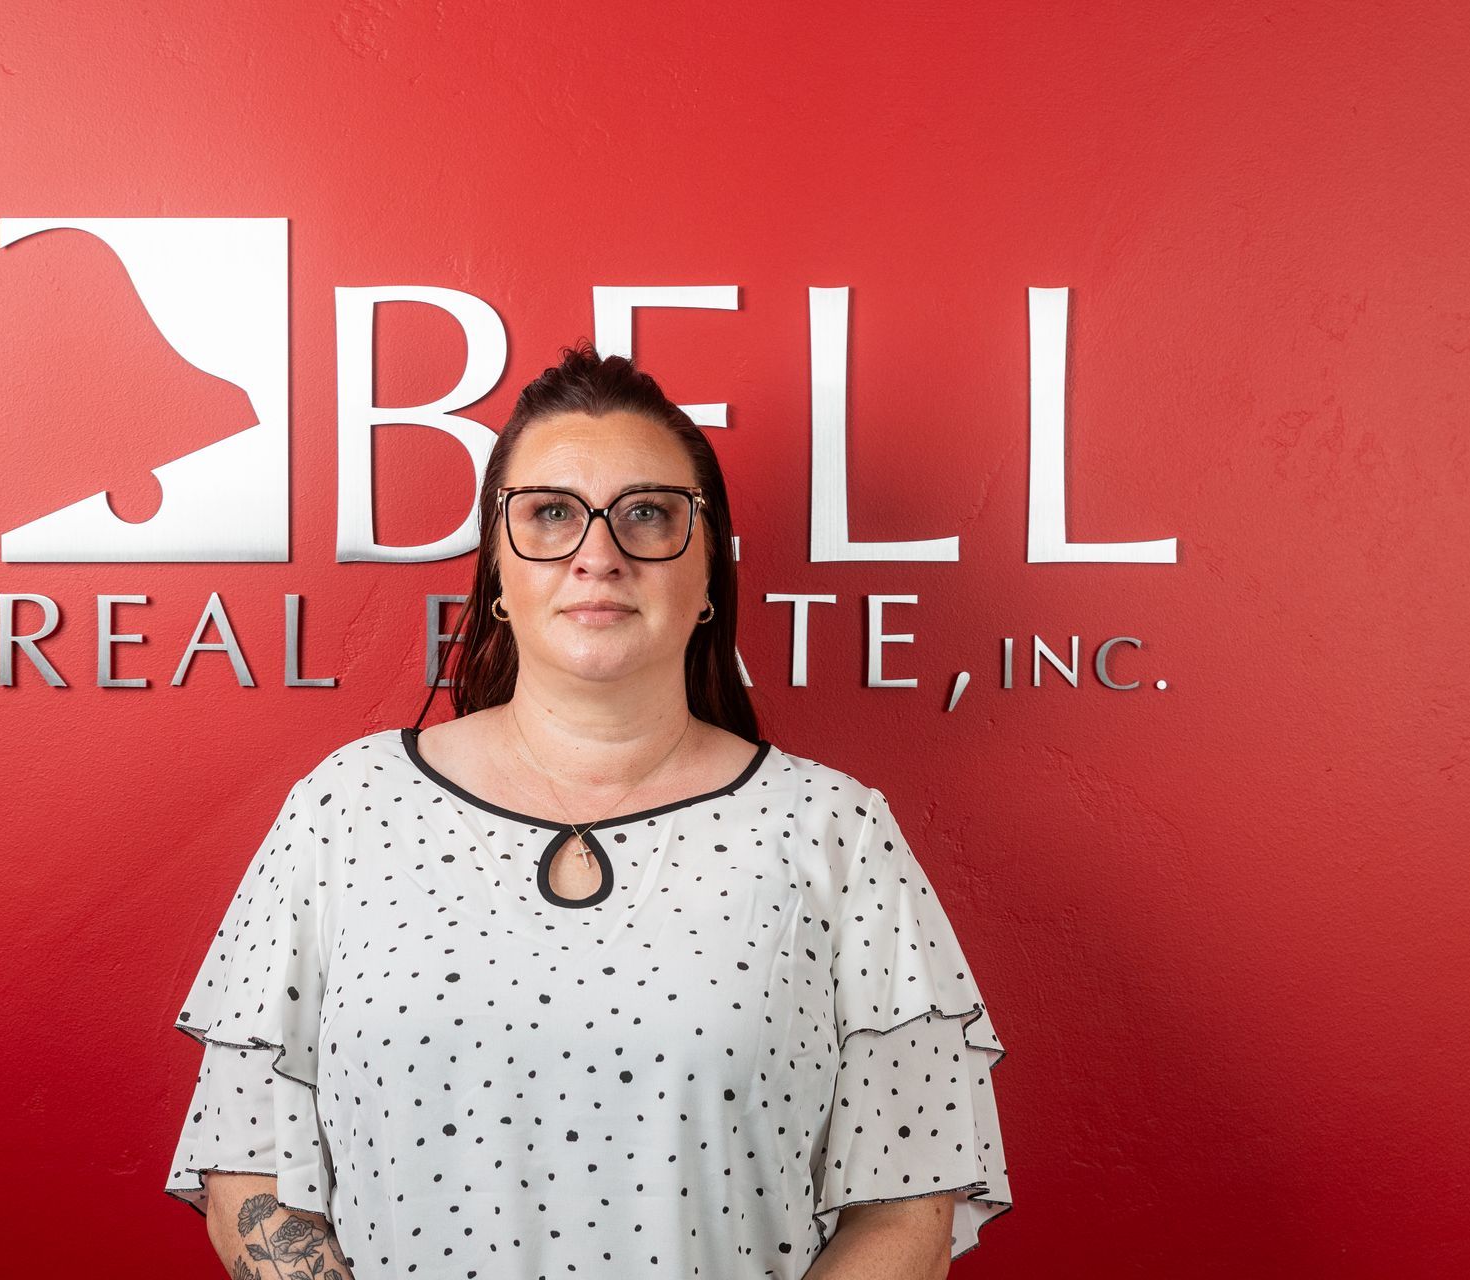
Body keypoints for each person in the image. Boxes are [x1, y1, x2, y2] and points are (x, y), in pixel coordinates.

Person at [163, 341, 1014, 1278]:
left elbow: (904, 1215)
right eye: (552, 515)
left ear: (706, 576)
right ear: (496, 567)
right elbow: (248, 1166)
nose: (597, 555)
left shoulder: (835, 834)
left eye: (648, 514)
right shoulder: (345, 811)